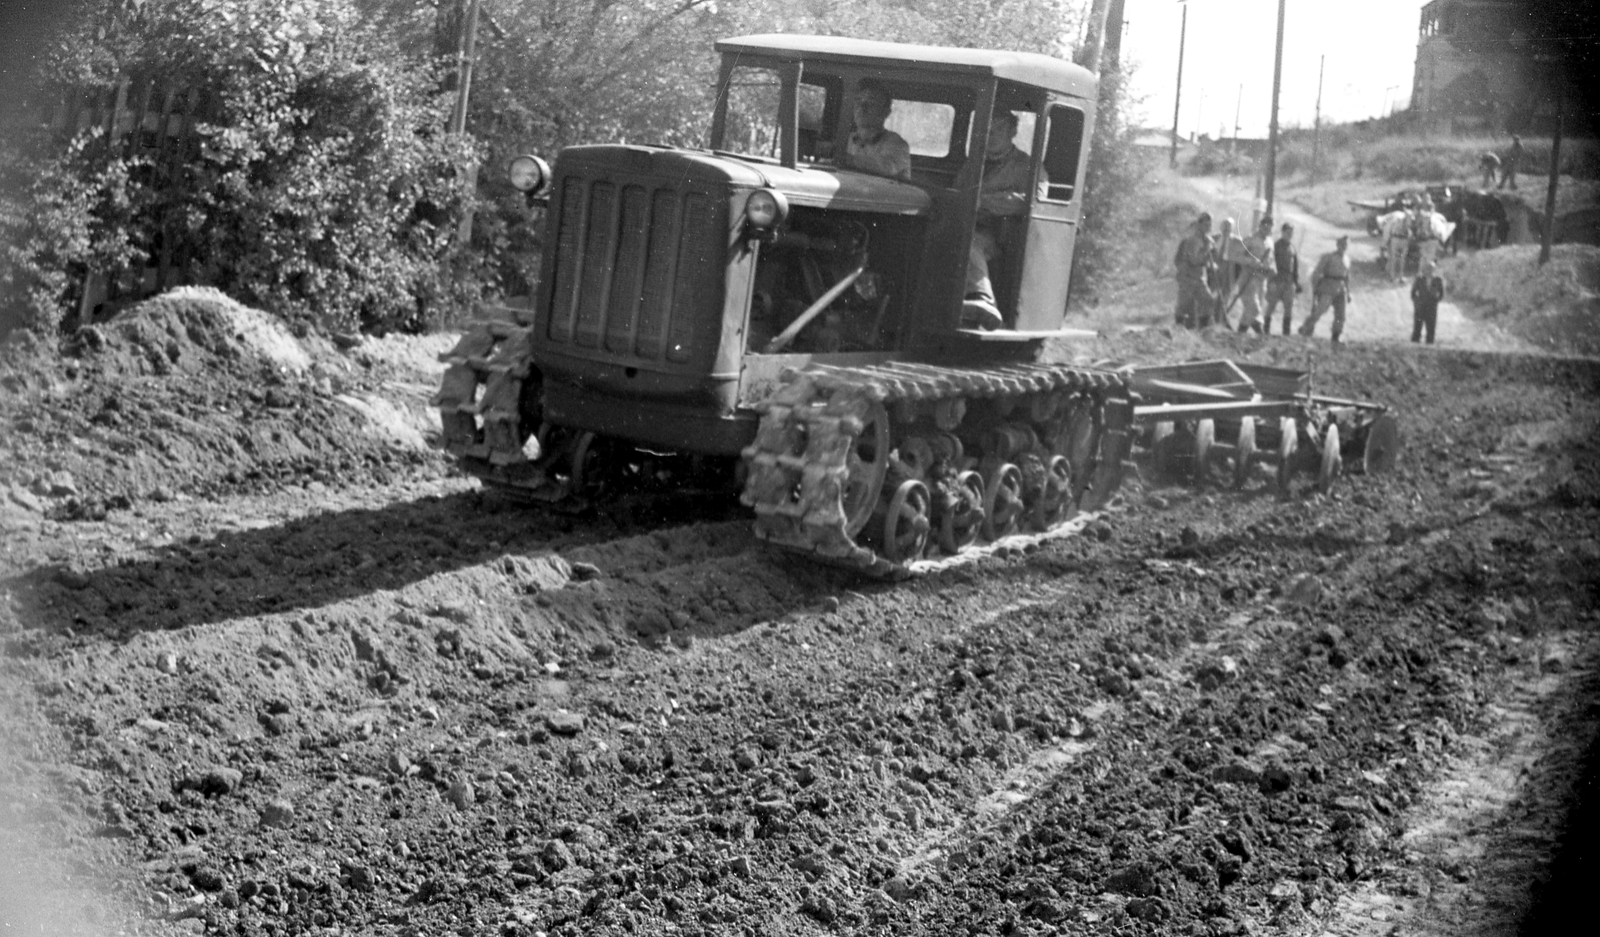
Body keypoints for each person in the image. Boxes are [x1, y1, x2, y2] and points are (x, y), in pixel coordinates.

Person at [962, 108, 1038, 329]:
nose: (990, 134)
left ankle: (982, 300)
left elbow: (1033, 200)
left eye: (998, 128)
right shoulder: (974, 164)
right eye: (987, 128)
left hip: (1000, 237)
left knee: (969, 241)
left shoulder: (1028, 167)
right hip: (966, 225)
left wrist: (985, 202)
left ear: (1013, 131)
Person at [840, 81, 911, 181]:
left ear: (886, 112)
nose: (862, 108)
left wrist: (846, 159)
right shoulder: (845, 139)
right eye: (858, 101)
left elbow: (888, 167)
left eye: (871, 103)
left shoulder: (897, 144)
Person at [1299, 234, 1352, 344]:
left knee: (1341, 315)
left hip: (1341, 289)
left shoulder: (1347, 259)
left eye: (1346, 244)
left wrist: (1349, 292)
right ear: (1337, 245)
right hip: (1328, 287)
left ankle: (1336, 336)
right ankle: (1305, 328)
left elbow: (1346, 277)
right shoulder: (1328, 257)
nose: (1343, 246)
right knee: (1320, 311)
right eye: (1341, 244)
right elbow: (1317, 273)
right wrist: (1315, 288)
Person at [1172, 212, 1215, 329]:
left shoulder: (1207, 240)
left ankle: (1204, 330)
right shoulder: (1194, 240)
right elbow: (1194, 260)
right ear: (1199, 225)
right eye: (1205, 225)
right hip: (1188, 277)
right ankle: (1178, 329)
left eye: (1209, 225)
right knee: (1183, 305)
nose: (1208, 228)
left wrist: (1211, 264)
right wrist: (1206, 253)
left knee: (1207, 300)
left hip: (1199, 277)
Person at [1233, 216, 1276, 334]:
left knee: (1250, 312)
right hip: (1248, 278)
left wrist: (1272, 269)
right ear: (1260, 226)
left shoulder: (1270, 243)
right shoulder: (1251, 239)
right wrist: (1251, 261)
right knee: (1253, 308)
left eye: (1269, 226)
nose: (1266, 228)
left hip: (1262, 281)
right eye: (1264, 225)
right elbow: (1237, 256)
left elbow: (1271, 260)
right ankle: (1261, 335)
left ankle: (1239, 335)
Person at [1261, 222, 1301, 336]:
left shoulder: (1292, 248)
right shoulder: (1276, 246)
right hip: (1276, 280)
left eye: (1291, 233)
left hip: (1289, 282)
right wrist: (1271, 281)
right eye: (1287, 232)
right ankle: (1265, 331)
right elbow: (1270, 263)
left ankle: (1286, 333)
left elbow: (1295, 266)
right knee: (1271, 306)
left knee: (1289, 308)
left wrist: (1296, 283)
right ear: (1282, 232)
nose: (1290, 235)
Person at [1209, 218, 1243, 329]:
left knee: (1224, 298)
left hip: (1229, 272)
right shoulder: (1213, 238)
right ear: (1221, 227)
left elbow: (1242, 258)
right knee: (1211, 296)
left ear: (1232, 228)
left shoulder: (1237, 241)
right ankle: (1212, 321)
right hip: (1214, 271)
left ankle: (1221, 322)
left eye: (1229, 226)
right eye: (1225, 226)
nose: (1226, 229)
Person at [1410, 260, 1446, 344]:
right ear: (1424, 270)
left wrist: (1436, 301)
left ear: (1434, 270)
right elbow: (1413, 293)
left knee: (1431, 327)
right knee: (1417, 327)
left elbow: (1441, 293)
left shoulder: (1438, 280)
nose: (1429, 271)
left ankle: (1430, 344)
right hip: (1420, 306)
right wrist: (1416, 302)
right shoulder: (1419, 279)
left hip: (1432, 307)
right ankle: (1415, 343)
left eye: (1431, 269)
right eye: (1427, 269)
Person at [1378, 209, 1409, 282]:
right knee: (1393, 257)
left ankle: (1401, 276)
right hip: (1395, 238)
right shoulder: (1397, 219)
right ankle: (1392, 275)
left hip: (1404, 239)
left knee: (1402, 259)